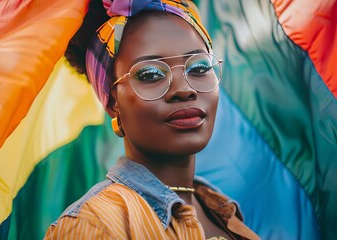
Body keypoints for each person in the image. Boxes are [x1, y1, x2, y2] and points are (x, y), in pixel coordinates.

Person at [45, 0, 260, 239]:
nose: (184, 89)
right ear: (113, 104)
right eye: (150, 74)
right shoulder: (94, 225)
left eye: (199, 68)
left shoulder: (224, 214)